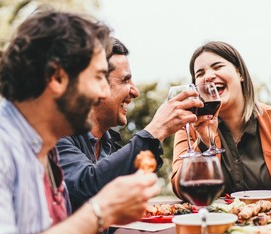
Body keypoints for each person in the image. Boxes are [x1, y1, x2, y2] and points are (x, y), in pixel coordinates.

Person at [0, 8, 160, 234]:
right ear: (57, 77)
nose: (104, 93)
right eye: (97, 77)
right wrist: (100, 210)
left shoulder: (45, 152)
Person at [56, 37, 203, 211]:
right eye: (125, 80)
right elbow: (86, 186)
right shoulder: (57, 137)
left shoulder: (110, 145)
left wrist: (204, 140)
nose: (135, 91)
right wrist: (155, 131)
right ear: (95, 84)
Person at [171, 41, 271, 199]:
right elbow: (181, 190)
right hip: (216, 221)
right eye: (200, 74)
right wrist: (204, 144)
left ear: (240, 73)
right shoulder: (188, 128)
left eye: (217, 67)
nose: (208, 76)